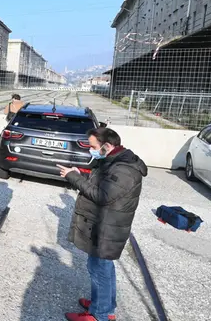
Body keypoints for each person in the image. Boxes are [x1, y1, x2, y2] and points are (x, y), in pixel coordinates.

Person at [59, 127, 147, 321]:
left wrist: (73, 178)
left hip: (108, 229)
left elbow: (102, 195)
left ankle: (100, 315)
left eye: (93, 147)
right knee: (103, 268)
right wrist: (80, 173)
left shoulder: (124, 169)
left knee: (99, 270)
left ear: (107, 146)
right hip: (104, 225)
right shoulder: (113, 160)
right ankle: (104, 305)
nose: (90, 150)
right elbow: (100, 181)